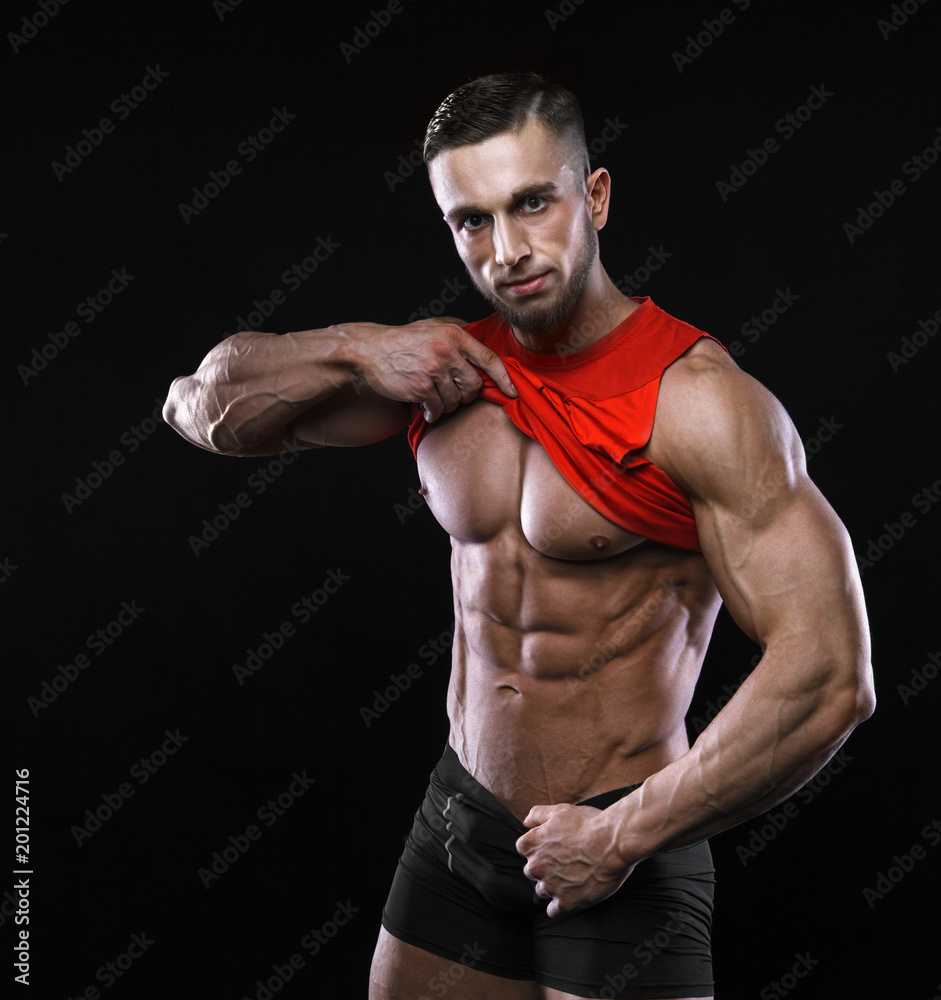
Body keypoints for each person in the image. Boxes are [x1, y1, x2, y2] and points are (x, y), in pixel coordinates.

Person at [163, 73, 875, 1000]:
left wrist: (621, 836)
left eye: (532, 203)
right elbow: (201, 410)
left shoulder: (697, 404)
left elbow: (829, 675)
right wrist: (354, 346)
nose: (505, 251)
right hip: (461, 820)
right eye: (470, 220)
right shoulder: (445, 372)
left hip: (621, 842)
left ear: (595, 196)